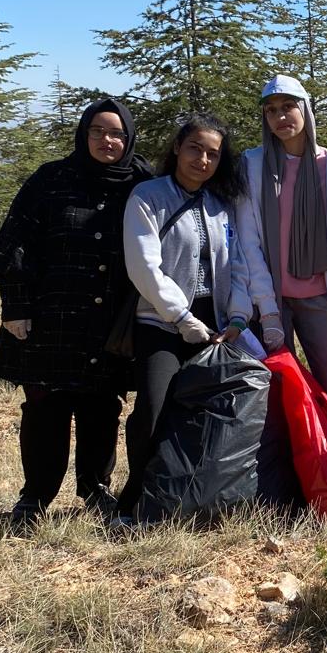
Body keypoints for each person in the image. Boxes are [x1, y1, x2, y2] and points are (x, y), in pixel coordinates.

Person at [0, 99, 150, 525]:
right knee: (45, 406)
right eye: (97, 131)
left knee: (102, 405)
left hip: (111, 321)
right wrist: (16, 305)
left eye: (116, 133)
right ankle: (34, 496)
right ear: (83, 134)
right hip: (50, 317)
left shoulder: (144, 183)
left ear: (129, 138)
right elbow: (13, 244)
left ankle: (94, 488)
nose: (106, 140)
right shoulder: (51, 180)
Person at [115, 113, 252, 520]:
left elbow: (239, 264)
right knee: (154, 412)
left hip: (218, 327)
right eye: (195, 148)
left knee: (208, 415)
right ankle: (136, 501)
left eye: (213, 154)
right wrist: (180, 316)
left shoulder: (221, 204)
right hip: (160, 323)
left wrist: (240, 316)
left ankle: (188, 500)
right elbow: (143, 265)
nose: (203, 160)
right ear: (177, 147)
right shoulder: (148, 196)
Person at [237, 73, 327, 436]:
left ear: (305, 108)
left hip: (322, 296)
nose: (281, 116)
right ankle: (288, 477)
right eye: (272, 110)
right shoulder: (252, 165)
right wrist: (267, 309)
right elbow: (248, 239)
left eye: (288, 106)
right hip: (270, 299)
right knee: (274, 392)